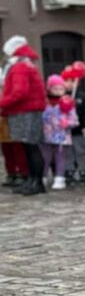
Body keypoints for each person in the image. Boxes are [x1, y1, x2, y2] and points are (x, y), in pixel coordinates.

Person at [1, 38, 47, 195]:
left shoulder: (20, 67)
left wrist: (2, 103)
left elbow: (19, 92)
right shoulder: (25, 65)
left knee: (31, 147)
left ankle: (37, 182)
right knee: (28, 148)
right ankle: (32, 180)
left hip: (25, 111)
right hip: (26, 111)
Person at [41, 76, 74, 190]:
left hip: (61, 135)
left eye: (61, 89)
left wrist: (68, 122)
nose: (58, 91)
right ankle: (43, 176)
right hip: (46, 135)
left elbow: (74, 119)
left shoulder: (67, 102)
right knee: (45, 157)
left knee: (60, 157)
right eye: (55, 89)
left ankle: (60, 177)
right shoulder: (45, 102)